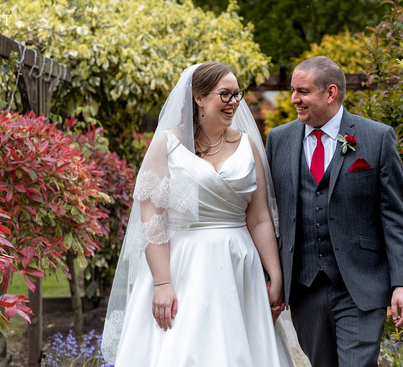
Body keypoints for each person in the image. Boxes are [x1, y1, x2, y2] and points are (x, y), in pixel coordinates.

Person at [101, 62, 294, 366]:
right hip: (183, 265)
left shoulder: (248, 146)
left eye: (236, 95)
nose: (234, 103)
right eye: (225, 95)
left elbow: (258, 218)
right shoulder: (167, 145)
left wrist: (276, 275)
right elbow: (152, 219)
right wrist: (162, 283)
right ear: (199, 98)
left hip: (238, 265)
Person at [266, 56, 403, 367]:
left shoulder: (376, 137)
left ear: (330, 93)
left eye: (303, 91)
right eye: (293, 91)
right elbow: (269, 215)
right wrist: (271, 278)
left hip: (360, 285)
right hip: (305, 289)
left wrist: (402, 283)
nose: (294, 99)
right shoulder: (278, 140)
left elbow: (395, 217)